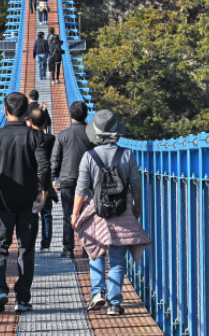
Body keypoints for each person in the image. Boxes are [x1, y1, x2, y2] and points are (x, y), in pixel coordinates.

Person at [72, 110, 150, 315]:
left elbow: (81, 189)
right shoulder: (127, 154)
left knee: (95, 252)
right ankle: (114, 303)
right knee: (117, 260)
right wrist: (137, 206)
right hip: (122, 211)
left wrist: (74, 213)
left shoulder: (89, 156)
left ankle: (97, 293)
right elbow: (135, 184)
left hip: (97, 210)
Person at [0, 92, 50, 314]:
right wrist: (43, 192)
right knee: (26, 249)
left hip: (1, 201)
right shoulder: (35, 136)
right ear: (27, 113)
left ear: (5, 111)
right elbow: (44, 166)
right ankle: (22, 298)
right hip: (28, 201)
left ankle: (0, 289)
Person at [51, 101, 92, 258]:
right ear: (87, 115)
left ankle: (68, 249)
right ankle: (86, 249)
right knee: (87, 214)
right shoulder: (92, 135)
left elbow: (55, 159)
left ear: (70, 116)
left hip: (67, 179)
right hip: (88, 180)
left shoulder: (62, 135)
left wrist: (55, 178)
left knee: (68, 214)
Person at [27, 108, 57, 251]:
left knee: (30, 214)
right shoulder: (51, 139)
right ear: (45, 122)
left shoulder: (26, 138)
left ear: (30, 122)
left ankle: (29, 243)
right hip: (46, 180)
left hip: (29, 180)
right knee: (46, 214)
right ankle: (46, 244)